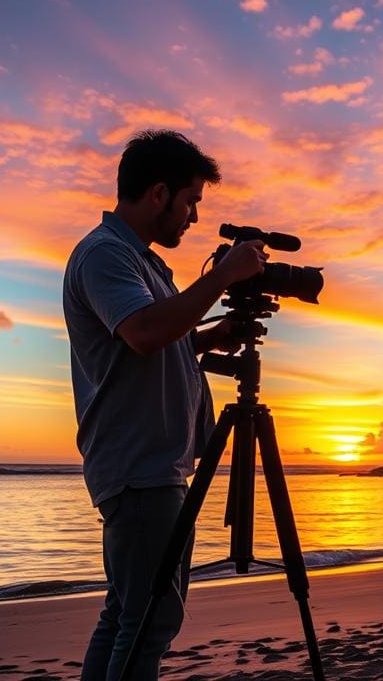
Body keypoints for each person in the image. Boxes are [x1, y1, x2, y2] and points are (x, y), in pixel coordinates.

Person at [63, 129, 268, 681]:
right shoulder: (105, 256)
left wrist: (205, 337)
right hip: (137, 466)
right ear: (159, 193)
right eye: (191, 201)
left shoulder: (141, 261)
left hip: (156, 463)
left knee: (130, 613)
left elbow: (153, 339)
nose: (194, 218)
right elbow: (145, 333)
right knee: (150, 618)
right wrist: (224, 275)